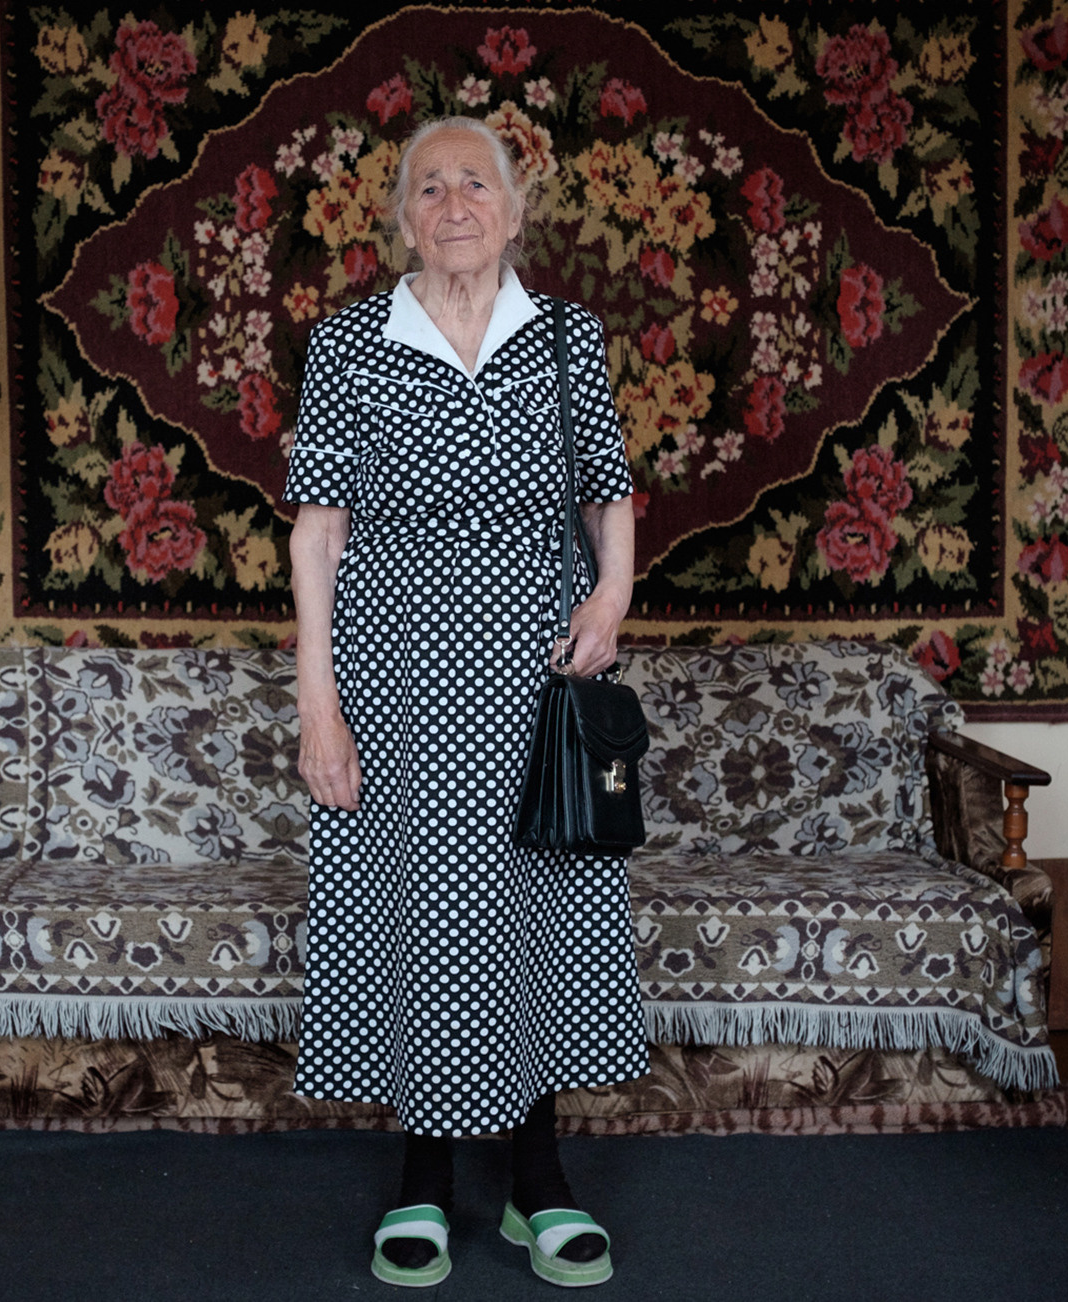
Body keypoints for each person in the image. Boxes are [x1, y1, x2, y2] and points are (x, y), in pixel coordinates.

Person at [283, 115, 646, 1289]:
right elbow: (318, 529)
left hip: (536, 678)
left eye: (472, 183)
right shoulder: (349, 344)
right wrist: (316, 702)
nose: (452, 202)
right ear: (399, 217)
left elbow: (608, 491)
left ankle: (537, 1181)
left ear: (512, 207)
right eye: (427, 186)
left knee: (532, 910)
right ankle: (425, 1181)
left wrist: (612, 596)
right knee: (431, 916)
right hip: (398, 686)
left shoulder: (563, 340)